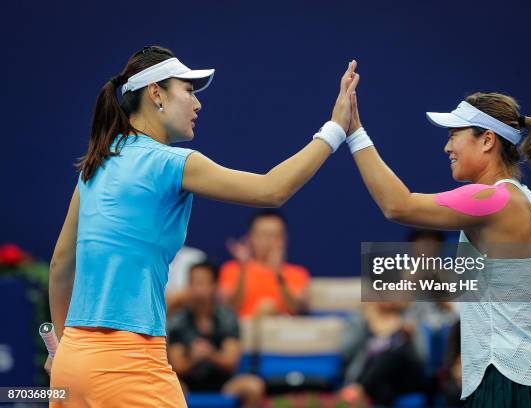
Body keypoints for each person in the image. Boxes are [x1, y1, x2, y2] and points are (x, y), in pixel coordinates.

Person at [46, 45, 360, 407]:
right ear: (155, 93)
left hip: (71, 366)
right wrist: (336, 128)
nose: (198, 105)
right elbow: (272, 189)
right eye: (189, 90)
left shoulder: (96, 164)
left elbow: (60, 266)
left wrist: (58, 348)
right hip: (128, 365)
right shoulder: (170, 163)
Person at [345, 89, 531, 406]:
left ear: (487, 140)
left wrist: (354, 132)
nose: (447, 147)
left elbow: (397, 205)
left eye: (455, 135)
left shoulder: (494, 199)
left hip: (509, 384)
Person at [167, 261, 265, 407]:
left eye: (201, 282)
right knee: (168, 388)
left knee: (254, 386)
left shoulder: (228, 317)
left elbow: (231, 361)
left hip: (223, 384)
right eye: (192, 282)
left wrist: (210, 354)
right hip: (187, 383)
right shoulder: (177, 320)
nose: (195, 288)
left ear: (214, 286)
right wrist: (193, 358)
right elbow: (178, 365)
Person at [218, 209, 310, 319]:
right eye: (263, 235)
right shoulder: (231, 269)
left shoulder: (297, 273)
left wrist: (278, 275)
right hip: (244, 331)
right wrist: (243, 270)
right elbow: (229, 308)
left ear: (284, 239)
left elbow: (296, 308)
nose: (268, 241)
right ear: (250, 238)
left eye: (274, 235)